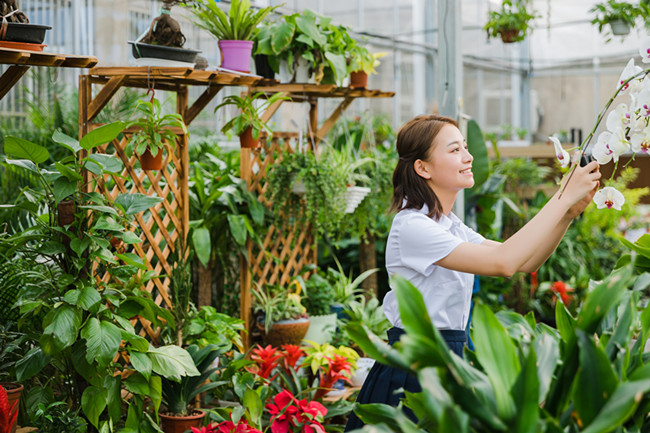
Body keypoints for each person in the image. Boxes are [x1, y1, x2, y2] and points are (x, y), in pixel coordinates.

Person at [344, 114, 600, 431]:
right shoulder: (412, 226)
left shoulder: (452, 228)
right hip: (415, 369)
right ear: (422, 167)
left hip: (450, 361)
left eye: (466, 147)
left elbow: (525, 262)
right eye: (454, 150)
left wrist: (569, 213)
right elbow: (505, 262)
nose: (469, 157)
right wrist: (561, 198)